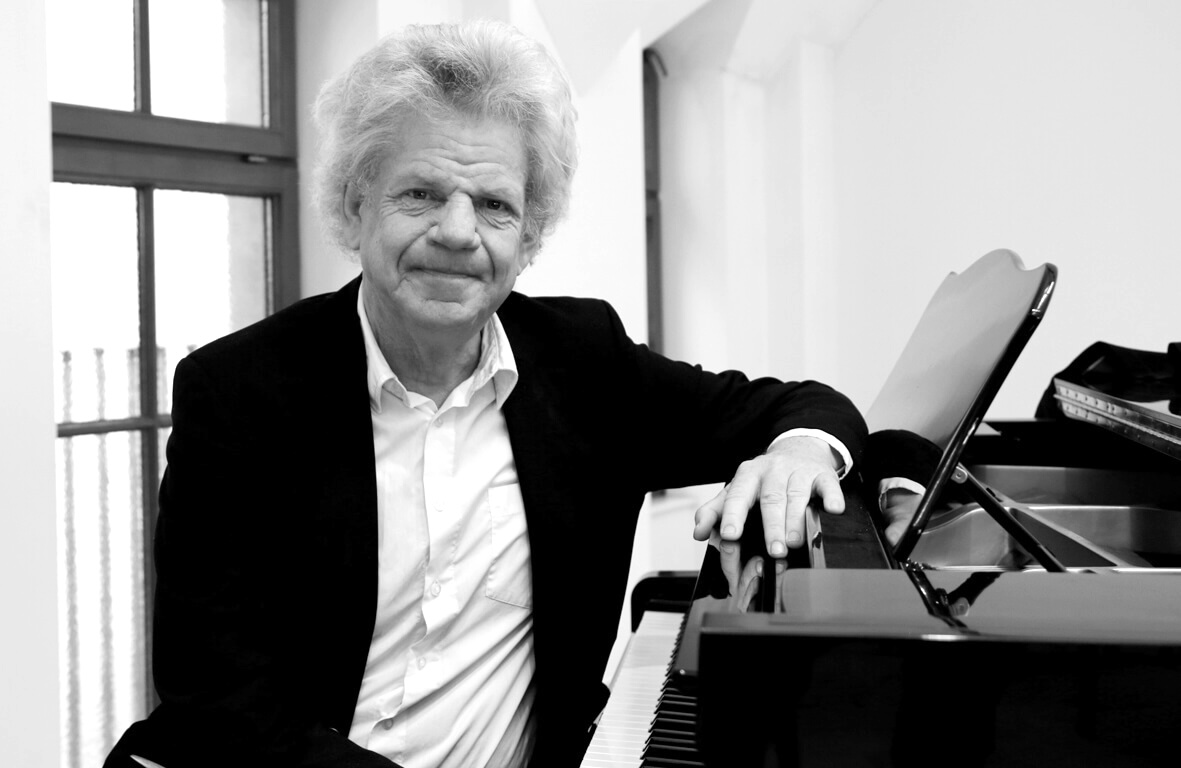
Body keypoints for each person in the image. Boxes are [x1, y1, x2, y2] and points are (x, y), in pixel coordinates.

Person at [105, 20, 867, 768]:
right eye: (421, 194)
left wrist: (799, 449)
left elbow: (801, 406)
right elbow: (216, 695)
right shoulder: (239, 391)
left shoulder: (582, 360)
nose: (459, 232)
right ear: (353, 204)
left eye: (495, 205)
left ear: (528, 234)